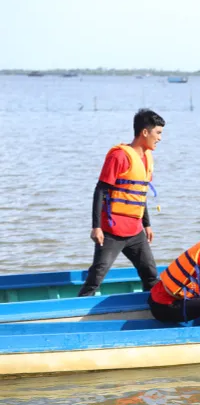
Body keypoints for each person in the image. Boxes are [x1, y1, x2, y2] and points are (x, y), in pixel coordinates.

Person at [78, 109, 165, 296]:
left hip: (136, 232)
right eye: (157, 133)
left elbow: (138, 194)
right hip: (112, 231)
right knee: (95, 279)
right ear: (144, 132)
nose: (159, 138)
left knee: (151, 276)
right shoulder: (119, 156)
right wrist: (97, 227)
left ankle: (154, 309)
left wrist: (147, 225)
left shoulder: (147, 158)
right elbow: (100, 190)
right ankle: (75, 315)